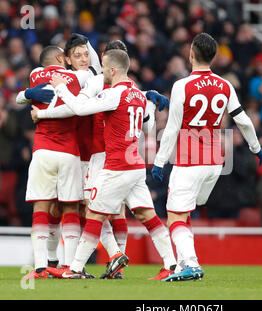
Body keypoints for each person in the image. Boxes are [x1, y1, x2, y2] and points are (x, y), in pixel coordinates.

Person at [39, 49, 176, 279]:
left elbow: (81, 108)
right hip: (135, 166)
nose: (102, 72)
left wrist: (61, 86)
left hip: (117, 166)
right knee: (146, 215)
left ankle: (74, 269)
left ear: (113, 70)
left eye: (103, 68)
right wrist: (150, 104)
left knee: (94, 215)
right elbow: (147, 128)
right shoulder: (138, 94)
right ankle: (171, 264)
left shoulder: (114, 94)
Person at [151, 33, 262, 281]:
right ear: (213, 57)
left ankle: (190, 263)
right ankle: (182, 265)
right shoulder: (225, 85)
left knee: (175, 214)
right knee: (185, 210)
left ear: (191, 53)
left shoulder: (182, 86)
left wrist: (159, 161)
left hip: (189, 160)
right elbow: (242, 120)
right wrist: (256, 148)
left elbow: (172, 128)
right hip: (215, 163)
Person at [19, 46, 84, 279]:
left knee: (41, 207)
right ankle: (70, 267)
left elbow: (22, 97)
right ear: (60, 58)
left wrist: (29, 98)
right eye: (65, 56)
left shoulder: (35, 75)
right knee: (70, 207)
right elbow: (75, 108)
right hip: (69, 152)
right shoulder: (76, 78)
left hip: (43, 150)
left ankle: (40, 268)